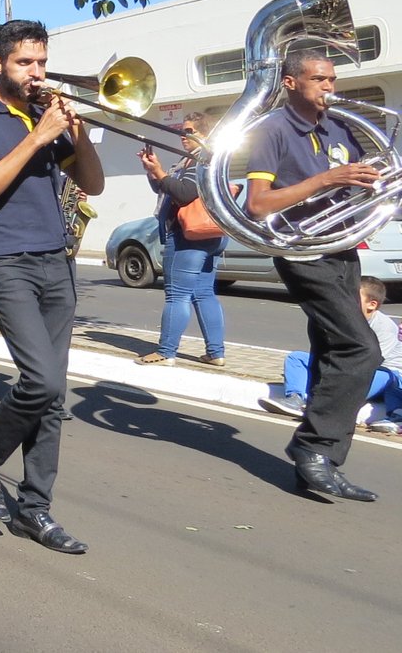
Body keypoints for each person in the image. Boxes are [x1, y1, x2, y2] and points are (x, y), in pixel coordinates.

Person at [0, 19, 104, 554]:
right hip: (3, 260)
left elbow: (93, 183)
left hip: (54, 261)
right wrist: (37, 138)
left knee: (55, 397)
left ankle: (34, 509)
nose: (37, 72)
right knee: (39, 381)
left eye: (41, 61)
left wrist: (76, 133)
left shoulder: (47, 114)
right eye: (25, 63)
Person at [243, 48, 384, 502]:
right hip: (302, 251)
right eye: (320, 79)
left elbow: (367, 179)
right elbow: (258, 204)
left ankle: (323, 463)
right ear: (290, 82)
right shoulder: (271, 132)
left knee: (330, 351)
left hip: (342, 248)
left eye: (332, 79)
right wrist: (327, 180)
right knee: (361, 348)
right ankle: (313, 449)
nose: (330, 87)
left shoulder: (340, 128)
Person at [135, 112, 226, 366]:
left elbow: (185, 194)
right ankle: (216, 353)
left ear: (205, 134)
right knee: (204, 292)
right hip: (210, 234)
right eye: (182, 132)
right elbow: (165, 188)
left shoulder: (204, 160)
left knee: (176, 294)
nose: (183, 137)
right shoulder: (193, 160)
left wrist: (161, 173)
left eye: (189, 132)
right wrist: (153, 171)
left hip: (189, 236)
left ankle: (166, 352)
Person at [260, 277, 402, 431]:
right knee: (297, 358)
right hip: (341, 369)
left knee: (385, 375)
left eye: (353, 297)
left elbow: (371, 362)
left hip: (376, 376)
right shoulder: (343, 320)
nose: (345, 301)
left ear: (372, 304)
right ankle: (295, 399)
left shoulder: (384, 327)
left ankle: (332, 406)